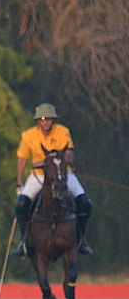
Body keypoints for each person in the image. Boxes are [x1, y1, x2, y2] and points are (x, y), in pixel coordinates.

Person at [12, 102, 93, 257]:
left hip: (63, 174)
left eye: (48, 119)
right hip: (39, 176)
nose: (45, 122)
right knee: (21, 204)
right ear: (37, 121)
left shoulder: (63, 132)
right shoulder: (28, 135)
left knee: (85, 203)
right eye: (42, 119)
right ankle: (24, 243)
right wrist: (19, 183)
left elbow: (70, 155)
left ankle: (81, 240)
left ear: (53, 120)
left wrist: (55, 159)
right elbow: (22, 160)